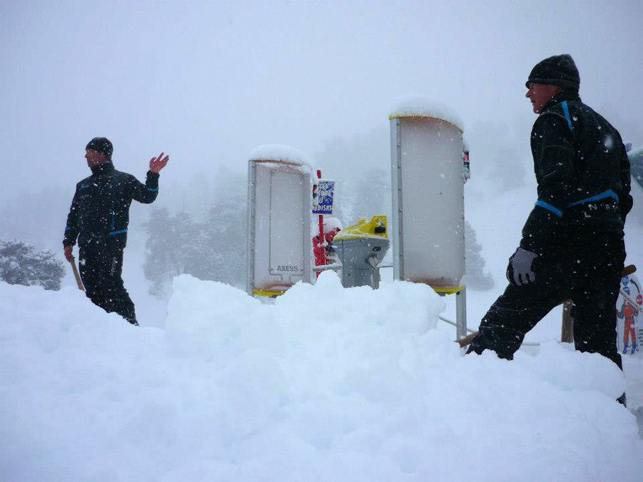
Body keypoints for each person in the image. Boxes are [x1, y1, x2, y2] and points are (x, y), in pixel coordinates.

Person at [467, 55, 632, 401]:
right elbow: (624, 198)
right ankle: (610, 421)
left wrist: (529, 247)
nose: (528, 94)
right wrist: (604, 233)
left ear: (554, 87)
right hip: (608, 246)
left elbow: (555, 191)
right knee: (598, 346)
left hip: (568, 243)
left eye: (532, 85)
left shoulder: (554, 120)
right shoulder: (606, 128)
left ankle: (469, 396)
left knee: (505, 320)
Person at [63, 137, 169, 326]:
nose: (86, 155)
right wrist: (68, 242)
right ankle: (102, 328)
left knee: (111, 284)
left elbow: (147, 196)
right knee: (92, 289)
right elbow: (74, 216)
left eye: (90, 151)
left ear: (103, 154)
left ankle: (130, 326)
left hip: (111, 245)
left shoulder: (123, 180)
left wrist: (153, 174)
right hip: (86, 246)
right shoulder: (83, 185)